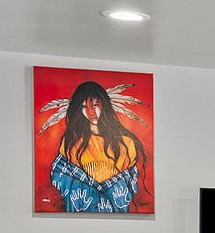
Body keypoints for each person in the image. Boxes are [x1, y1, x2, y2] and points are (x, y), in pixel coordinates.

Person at [49, 80, 146, 212]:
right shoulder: (71, 143)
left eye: (95, 105)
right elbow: (62, 175)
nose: (91, 113)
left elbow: (128, 182)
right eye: (84, 107)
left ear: (104, 105)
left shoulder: (126, 143)